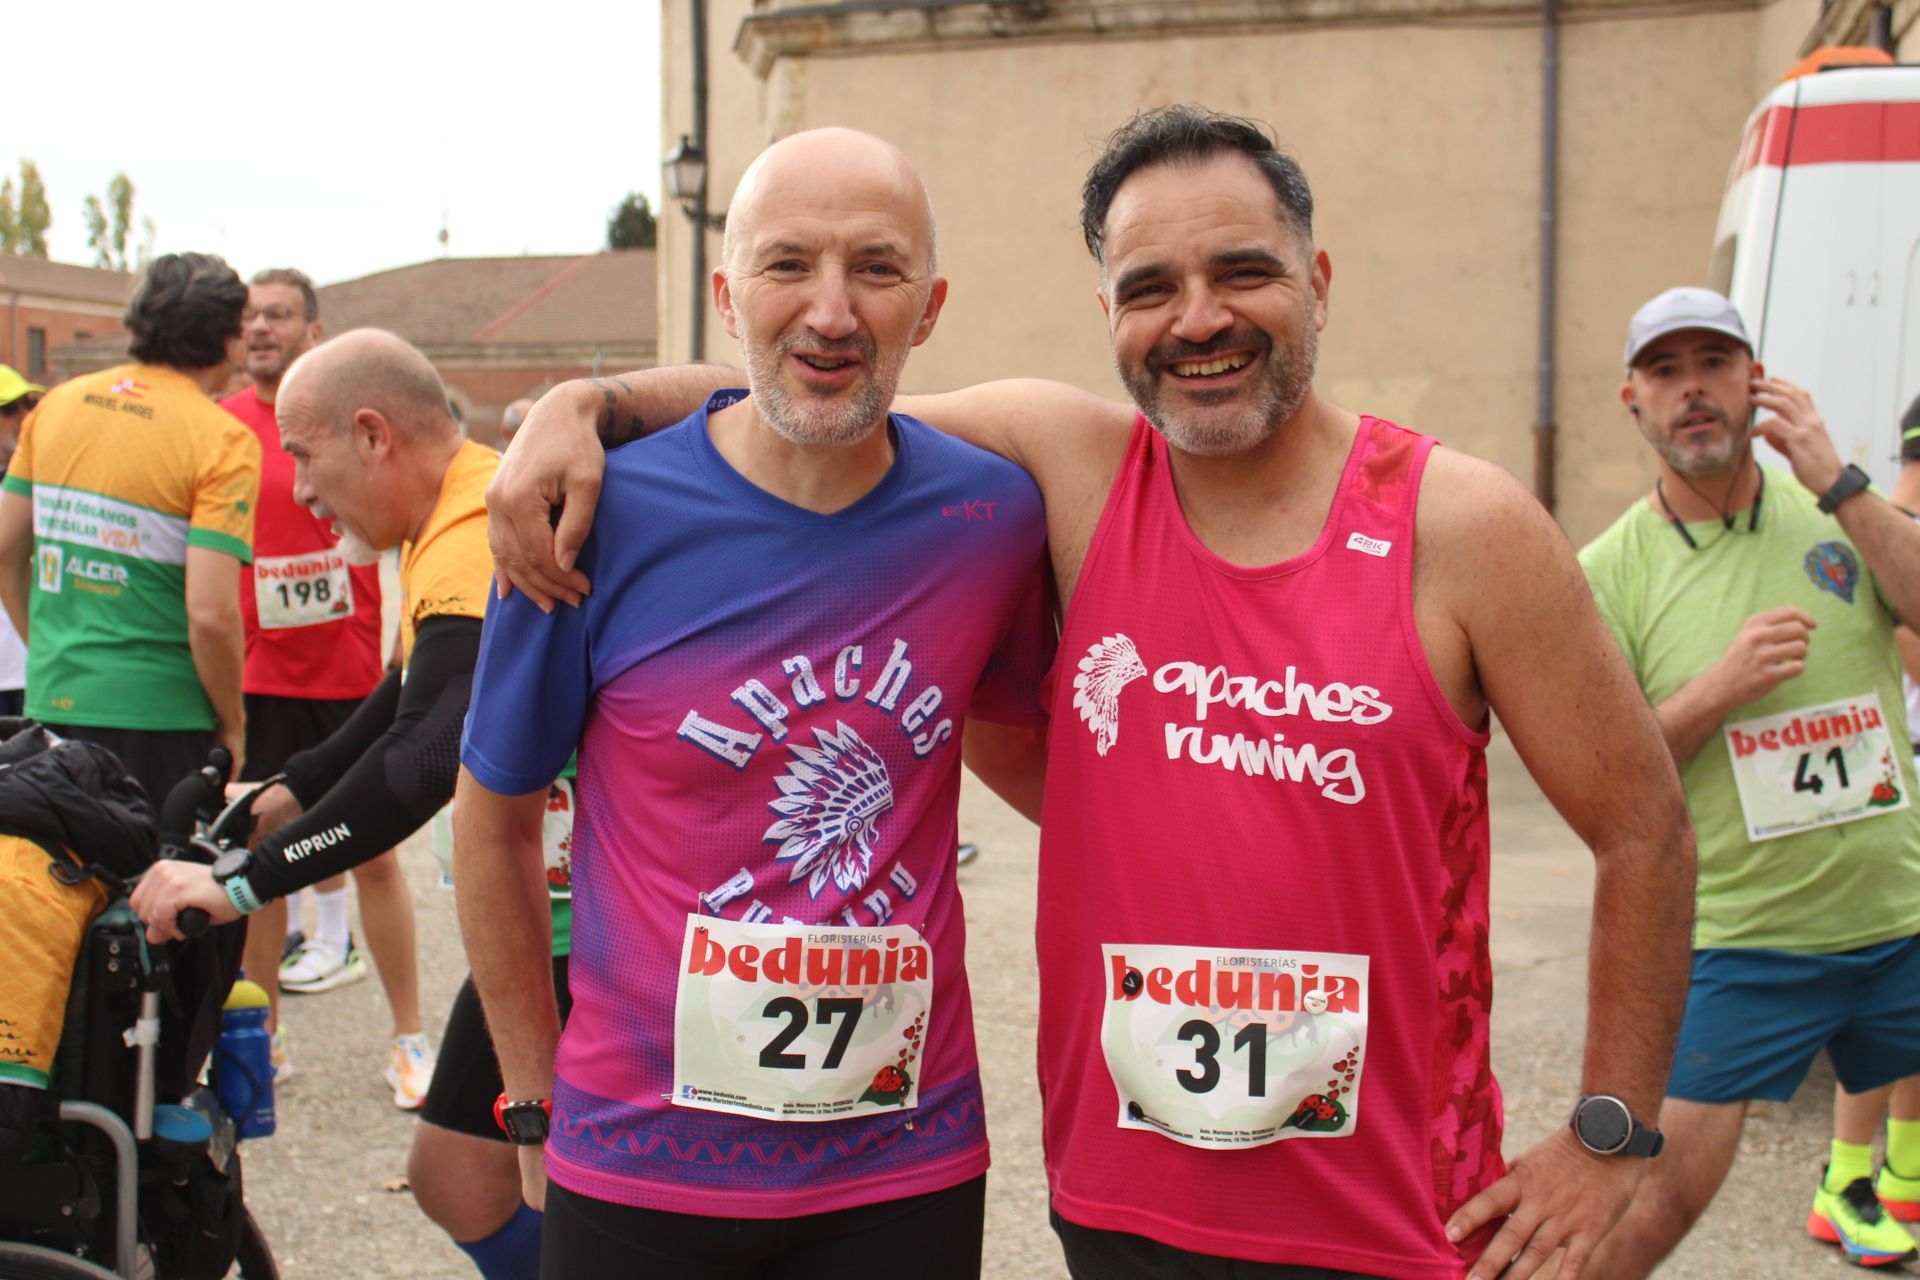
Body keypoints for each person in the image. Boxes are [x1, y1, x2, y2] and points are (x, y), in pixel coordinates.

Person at [487, 106, 1695, 1280]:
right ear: (1107, 312)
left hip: (1390, 1215)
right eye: (1151, 286)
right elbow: (809, 398)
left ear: (1318, 280)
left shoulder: (1461, 523)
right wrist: (582, 406)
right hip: (1119, 1209)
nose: (1200, 319)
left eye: (1243, 271)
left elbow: (1643, 826)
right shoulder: (1068, 465)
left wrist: (1613, 1132)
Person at [456, 127, 1054, 1279]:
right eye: (789, 265)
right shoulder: (588, 512)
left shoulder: (992, 519)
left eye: (876, 270)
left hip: (903, 1160)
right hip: (640, 1155)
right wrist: (530, 1099)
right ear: (729, 296)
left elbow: (1012, 734)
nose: (831, 311)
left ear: (928, 308)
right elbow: (492, 822)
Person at [1576, 287, 1920, 1273]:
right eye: (1668, 370)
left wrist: (1845, 482)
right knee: (1650, 1203)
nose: (1695, 390)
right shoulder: (1608, 571)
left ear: (1756, 382)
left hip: (1902, 914)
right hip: (1742, 940)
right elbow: (1603, 782)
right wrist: (1717, 687)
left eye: (1716, 364)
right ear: (1632, 399)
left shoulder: (1842, 514)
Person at [221, 268, 433, 1107]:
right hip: (260, 672)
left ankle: (409, 1038)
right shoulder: (224, 428)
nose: (261, 329)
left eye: (278, 315)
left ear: (314, 331)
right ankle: (261, 1037)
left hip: (347, 669)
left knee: (374, 852)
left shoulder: (342, 417)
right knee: (258, 843)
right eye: (250, 318)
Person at [0, 253, 257, 798]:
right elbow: (211, 612)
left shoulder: (57, 405)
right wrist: (232, 720)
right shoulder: (223, 438)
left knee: (57, 875)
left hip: (51, 701)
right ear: (230, 340)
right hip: (160, 715)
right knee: (156, 880)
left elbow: (3, 549)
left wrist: (47, 648)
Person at [0, 365, 42, 719]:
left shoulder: (39, 487)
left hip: (33, 674)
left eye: (29, 404)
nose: (24, 417)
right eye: (8, 409)